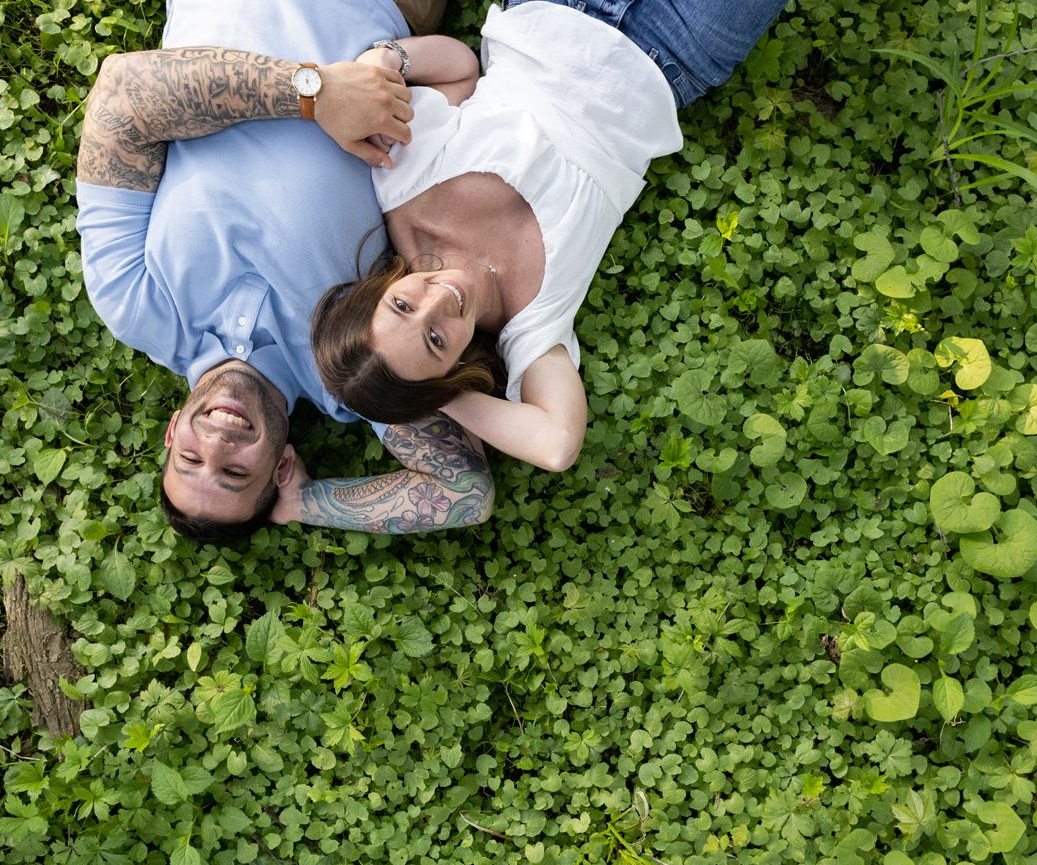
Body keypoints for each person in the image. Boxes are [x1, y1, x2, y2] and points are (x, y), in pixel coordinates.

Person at [312, 0, 792, 473]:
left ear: (379, 289)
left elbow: (460, 69)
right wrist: (437, 398)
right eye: (436, 340)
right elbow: (557, 444)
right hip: (675, 49)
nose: (439, 302)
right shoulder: (531, 328)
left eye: (401, 305)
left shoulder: (403, 186)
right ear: (455, 368)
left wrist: (389, 58)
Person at [75, 0, 493, 543]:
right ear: (279, 466)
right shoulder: (351, 368)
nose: (217, 445)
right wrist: (305, 502)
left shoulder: (133, 306)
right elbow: (464, 492)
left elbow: (122, 96)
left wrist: (315, 93)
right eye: (234, 473)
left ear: (172, 431)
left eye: (190, 460)